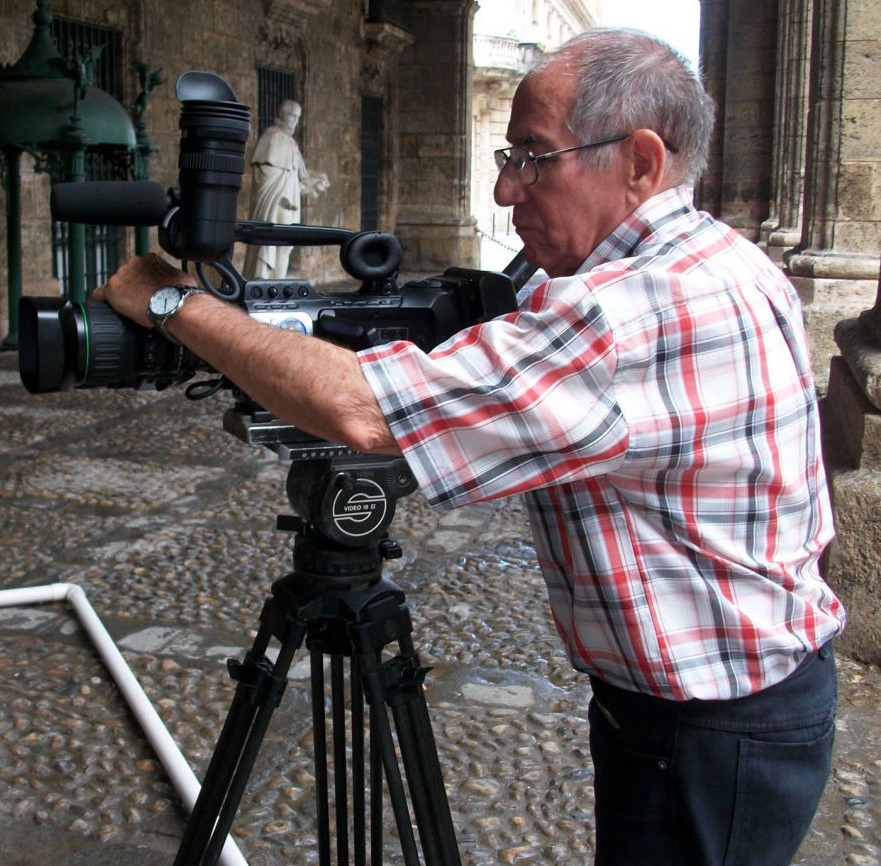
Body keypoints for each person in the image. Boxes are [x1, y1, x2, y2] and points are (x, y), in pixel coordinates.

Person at [92, 28, 845, 866]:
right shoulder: (718, 258)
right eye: (506, 153)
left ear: (638, 162)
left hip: (709, 727)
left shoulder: (635, 308)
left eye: (532, 156)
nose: (501, 188)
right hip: (716, 698)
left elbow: (368, 413)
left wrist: (170, 306)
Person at [242, 99, 329, 279]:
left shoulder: (291, 143)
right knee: (269, 243)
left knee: (285, 245)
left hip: (289, 204)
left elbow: (297, 177)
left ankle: (277, 283)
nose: (294, 121)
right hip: (274, 202)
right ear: (282, 115)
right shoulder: (272, 136)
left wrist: (316, 180)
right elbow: (267, 175)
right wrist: (289, 186)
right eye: (292, 116)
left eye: (297, 117)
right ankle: (262, 282)